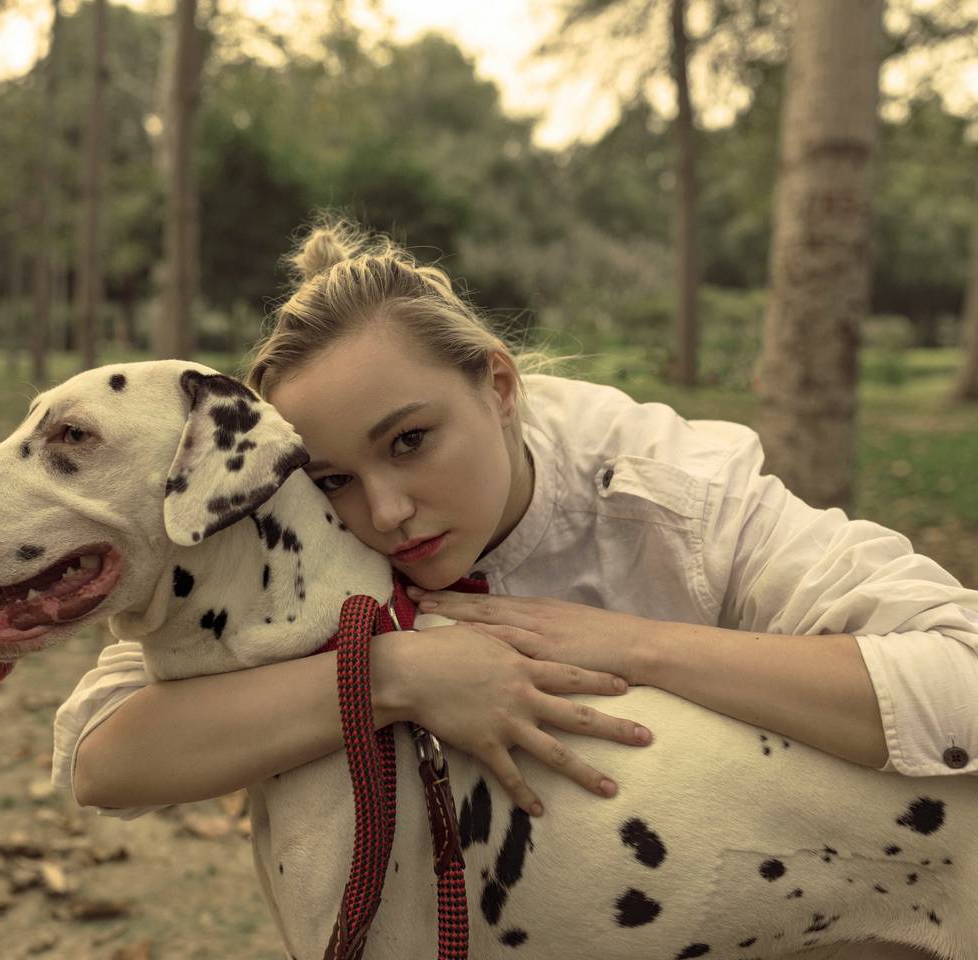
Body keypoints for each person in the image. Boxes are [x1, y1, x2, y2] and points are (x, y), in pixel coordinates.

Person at [52, 217, 978, 823]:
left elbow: (962, 672)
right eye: (336, 479)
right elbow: (104, 758)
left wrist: (636, 647)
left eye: (410, 441)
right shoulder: (295, 518)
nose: (386, 511)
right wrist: (392, 677)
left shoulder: (671, 492)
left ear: (497, 385)